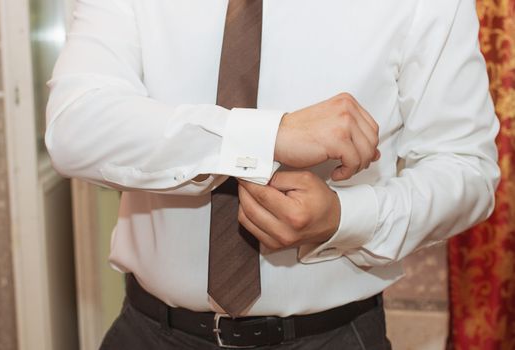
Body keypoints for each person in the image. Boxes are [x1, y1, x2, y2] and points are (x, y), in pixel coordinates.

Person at [45, 0, 500, 349]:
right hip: (148, 333)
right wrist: (267, 137)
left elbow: (467, 168)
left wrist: (345, 217)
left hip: (334, 337)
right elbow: (75, 126)